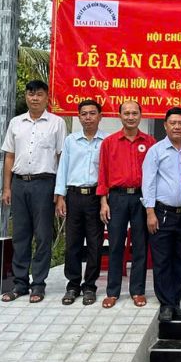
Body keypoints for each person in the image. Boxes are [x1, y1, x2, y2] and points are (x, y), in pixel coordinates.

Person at [0, 80, 66, 303]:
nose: (34, 98)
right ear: (26, 97)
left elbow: (61, 158)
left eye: (39, 94)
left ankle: (38, 283)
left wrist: (60, 192)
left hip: (44, 184)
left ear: (47, 97)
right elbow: (9, 156)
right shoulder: (16, 123)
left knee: (43, 235)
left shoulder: (56, 123)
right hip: (19, 184)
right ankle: (20, 284)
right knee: (20, 235)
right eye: (31, 94)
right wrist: (7, 187)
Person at [97, 100, 156, 309]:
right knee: (115, 246)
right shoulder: (109, 142)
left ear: (141, 115)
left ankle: (137, 290)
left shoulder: (150, 142)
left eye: (134, 113)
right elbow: (102, 173)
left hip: (141, 198)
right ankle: (112, 292)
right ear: (119, 115)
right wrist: (104, 201)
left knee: (140, 245)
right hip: (117, 198)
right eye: (126, 113)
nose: (130, 117)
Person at [142, 107, 181, 322]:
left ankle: (175, 301)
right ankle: (166, 304)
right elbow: (148, 182)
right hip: (162, 213)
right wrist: (150, 212)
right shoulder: (156, 151)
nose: (177, 126)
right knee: (162, 260)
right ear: (165, 125)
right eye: (172, 123)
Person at [55, 100, 107, 306]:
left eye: (92, 113)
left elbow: (107, 173)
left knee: (95, 244)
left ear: (100, 116)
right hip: (74, 195)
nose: (88, 117)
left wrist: (105, 199)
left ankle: (90, 286)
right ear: (78, 117)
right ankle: (73, 285)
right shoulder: (70, 140)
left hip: (95, 195)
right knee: (73, 243)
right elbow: (63, 168)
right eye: (84, 114)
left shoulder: (106, 141)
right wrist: (60, 196)